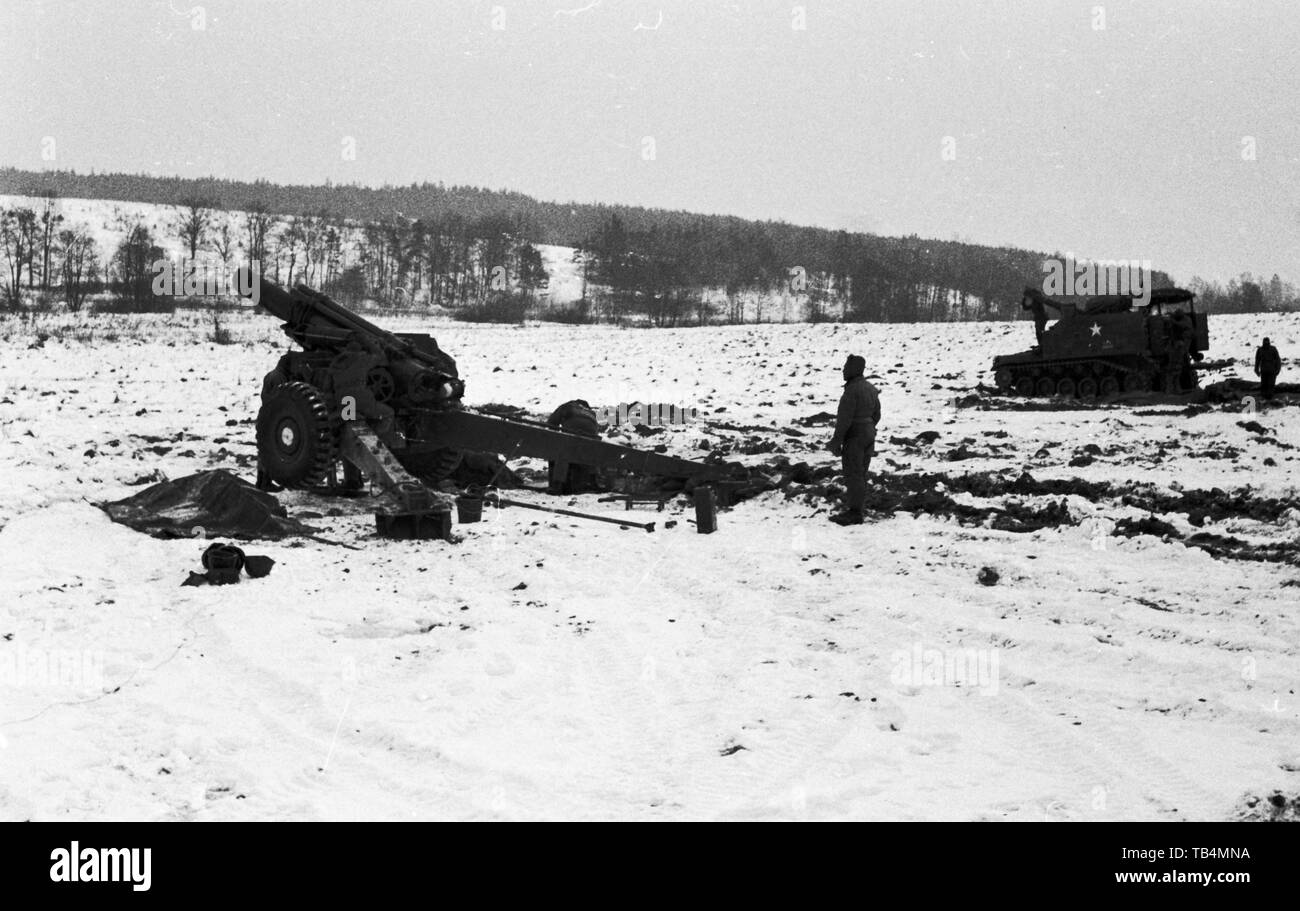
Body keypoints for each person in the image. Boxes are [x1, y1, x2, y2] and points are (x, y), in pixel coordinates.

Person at [827, 355, 881, 526]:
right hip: (869, 433)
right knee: (861, 473)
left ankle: (854, 513)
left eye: (846, 367)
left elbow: (844, 420)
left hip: (855, 435)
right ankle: (857, 508)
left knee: (853, 474)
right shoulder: (871, 388)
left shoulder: (851, 391)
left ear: (853, 369)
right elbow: (877, 414)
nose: (843, 370)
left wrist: (836, 442)